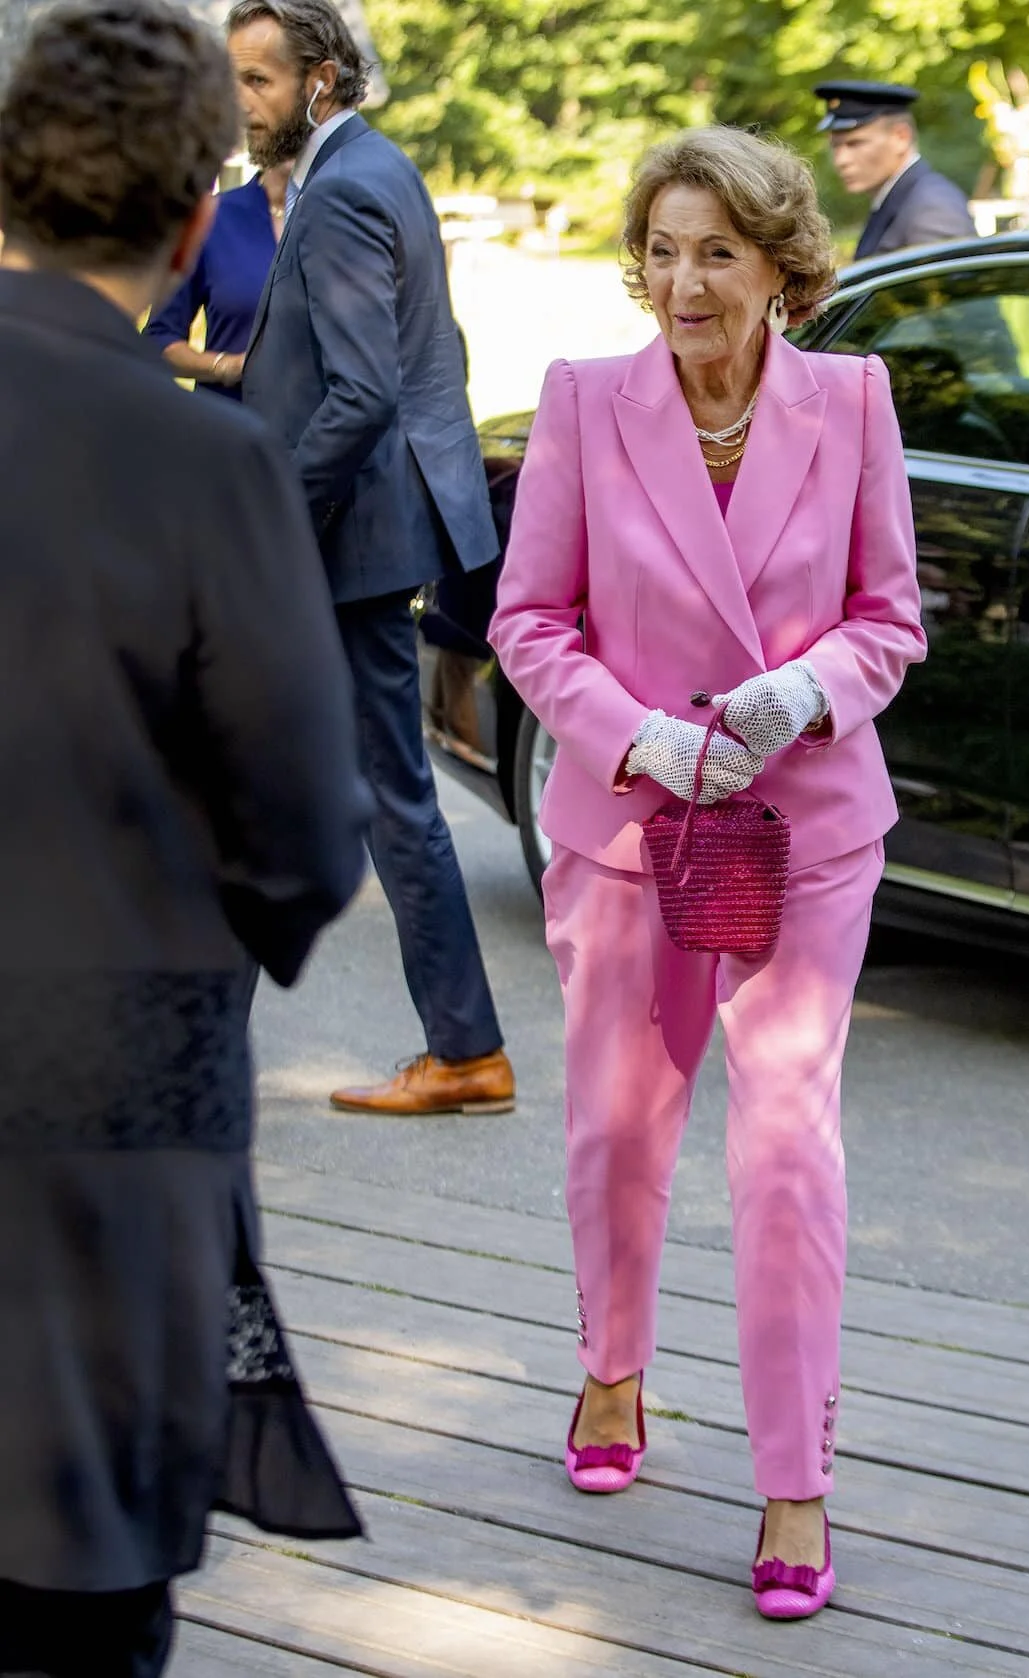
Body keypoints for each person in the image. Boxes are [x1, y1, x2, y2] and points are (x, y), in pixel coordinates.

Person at [488, 126, 927, 1620]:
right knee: (619, 1126)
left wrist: (803, 694)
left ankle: (794, 1473)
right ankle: (611, 1374)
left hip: (805, 826)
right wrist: (641, 743)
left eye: (715, 253)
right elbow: (530, 619)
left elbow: (890, 618)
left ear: (778, 267)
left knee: (787, 1147)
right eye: (663, 249)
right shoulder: (582, 402)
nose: (682, 281)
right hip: (629, 825)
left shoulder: (855, 399)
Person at [0, 3, 375, 1672]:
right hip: (111, 1116)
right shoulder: (204, 463)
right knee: (84, 1607)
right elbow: (305, 839)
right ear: (183, 226)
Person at [231, 0, 515, 1119]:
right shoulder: (373, 167)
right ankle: (463, 1043)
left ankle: (465, 1047)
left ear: (323, 80)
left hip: (341, 540)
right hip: (367, 532)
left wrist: (272, 529)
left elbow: (361, 393)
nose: (240, 104)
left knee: (377, 791)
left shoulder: (344, 185)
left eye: (258, 81)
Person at [143, 162, 290, 397]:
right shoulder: (217, 215)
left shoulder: (344, 216)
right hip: (234, 419)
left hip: (325, 426)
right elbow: (158, 339)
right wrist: (226, 366)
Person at [815, 80, 976, 258]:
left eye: (855, 144)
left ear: (901, 137)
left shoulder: (932, 209)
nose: (841, 160)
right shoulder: (899, 199)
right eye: (835, 146)